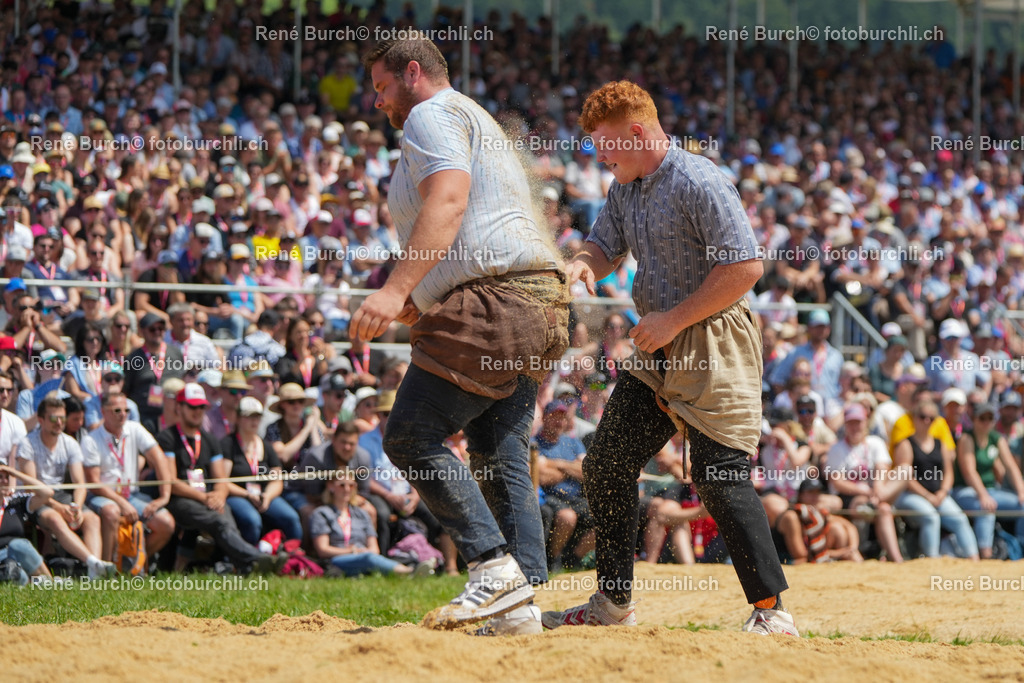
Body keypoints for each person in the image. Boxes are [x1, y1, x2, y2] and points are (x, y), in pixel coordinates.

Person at [542, 81, 796, 635]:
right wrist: (583, 264)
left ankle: (772, 614)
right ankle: (613, 604)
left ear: (637, 133)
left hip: (713, 339)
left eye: (606, 145)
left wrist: (675, 318)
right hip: (657, 344)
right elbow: (603, 246)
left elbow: (745, 267)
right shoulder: (625, 186)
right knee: (606, 462)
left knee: (719, 475)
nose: (599, 157)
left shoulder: (699, 179)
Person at [352, 33, 569, 635]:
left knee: (411, 435)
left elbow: (449, 200)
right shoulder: (473, 116)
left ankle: (492, 569)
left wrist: (396, 291)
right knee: (500, 454)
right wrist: (419, 304)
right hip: (537, 305)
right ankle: (521, 602)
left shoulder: (431, 113)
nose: (378, 102)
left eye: (381, 87)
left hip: (497, 303)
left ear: (412, 73)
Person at [158, 383, 280, 573]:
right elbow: (171, 482)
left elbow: (220, 478)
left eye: (201, 407)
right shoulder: (167, 438)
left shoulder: (210, 440)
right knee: (219, 521)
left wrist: (219, 496)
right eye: (192, 406)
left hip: (208, 497)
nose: (197, 411)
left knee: (225, 516)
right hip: (181, 498)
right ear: (179, 407)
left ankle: (242, 565)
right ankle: (254, 559)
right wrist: (205, 497)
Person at [14, 395, 116, 578]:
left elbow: (80, 483)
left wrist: (75, 506)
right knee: (54, 519)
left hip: (60, 494)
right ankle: (92, 562)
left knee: (92, 519)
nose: (59, 422)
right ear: (41, 420)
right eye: (54, 418)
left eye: (62, 417)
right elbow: (31, 488)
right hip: (35, 498)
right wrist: (60, 508)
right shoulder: (27, 444)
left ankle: (94, 573)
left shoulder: (70, 443)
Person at [82, 391, 176, 562]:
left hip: (131, 495)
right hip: (102, 496)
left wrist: (164, 496)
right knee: (112, 512)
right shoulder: (91, 440)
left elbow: (159, 458)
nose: (123, 415)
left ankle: (133, 562)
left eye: (127, 411)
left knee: (166, 523)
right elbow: (94, 483)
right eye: (117, 411)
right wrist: (121, 503)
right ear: (103, 412)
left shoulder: (134, 428)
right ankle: (105, 567)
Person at [892, 400, 979, 559]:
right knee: (930, 517)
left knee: (959, 519)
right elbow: (905, 478)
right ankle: (931, 559)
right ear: (914, 418)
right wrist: (927, 496)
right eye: (922, 416)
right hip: (910, 494)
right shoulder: (905, 444)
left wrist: (942, 492)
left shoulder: (940, 444)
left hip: (937, 494)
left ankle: (975, 560)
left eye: (931, 418)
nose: (927, 421)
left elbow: (948, 473)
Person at [311, 468, 433, 577]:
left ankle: (414, 566)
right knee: (368, 558)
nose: (347, 489)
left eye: (351, 485)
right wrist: (352, 551)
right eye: (342, 485)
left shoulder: (361, 513)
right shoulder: (322, 513)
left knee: (371, 557)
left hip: (363, 556)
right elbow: (323, 550)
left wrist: (362, 552)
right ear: (330, 486)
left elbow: (374, 548)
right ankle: (409, 572)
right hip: (336, 560)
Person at [221, 397, 302, 545]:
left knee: (291, 518)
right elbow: (222, 481)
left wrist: (268, 496)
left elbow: (277, 479)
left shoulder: (266, 446)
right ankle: (249, 559)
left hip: (264, 495)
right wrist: (248, 494)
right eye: (249, 417)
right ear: (238, 418)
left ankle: (293, 559)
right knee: (252, 519)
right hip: (238, 495)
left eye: (257, 417)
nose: (254, 421)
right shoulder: (227, 444)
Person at [952, 402, 1024, 559]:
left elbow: (1011, 467)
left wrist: (1021, 491)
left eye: (990, 418)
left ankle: (1019, 550)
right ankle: (986, 556)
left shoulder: (997, 438)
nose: (986, 422)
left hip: (991, 490)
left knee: (1022, 505)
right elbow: (969, 472)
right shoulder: (966, 438)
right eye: (982, 418)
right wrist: (983, 495)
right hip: (965, 490)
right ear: (974, 419)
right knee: (987, 508)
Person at [0, 463, 60, 585]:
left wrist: (15, 473)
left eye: (7, 477)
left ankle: (49, 583)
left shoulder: (15, 502)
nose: (5, 481)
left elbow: (47, 493)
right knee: (13, 572)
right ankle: (33, 584)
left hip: (20, 553)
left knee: (18, 545)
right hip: (3, 559)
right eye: (0, 477)